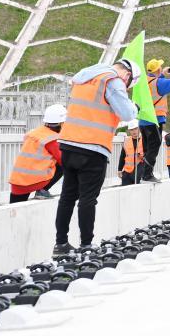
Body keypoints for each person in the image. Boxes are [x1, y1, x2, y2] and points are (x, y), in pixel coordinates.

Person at [54, 58, 139, 256]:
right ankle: (86, 245)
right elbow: (127, 113)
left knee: (67, 197)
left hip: (68, 144)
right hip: (92, 148)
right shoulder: (113, 80)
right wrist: (134, 106)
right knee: (88, 199)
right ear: (127, 76)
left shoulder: (85, 77)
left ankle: (61, 244)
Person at [8, 104, 67, 203]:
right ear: (61, 123)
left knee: (13, 213)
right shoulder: (52, 138)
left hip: (17, 182)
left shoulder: (34, 133)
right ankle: (42, 191)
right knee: (64, 164)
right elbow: (64, 161)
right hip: (35, 182)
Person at [140, 60, 170, 182]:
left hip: (143, 120)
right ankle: (147, 175)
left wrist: (161, 75)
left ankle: (144, 173)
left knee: (147, 149)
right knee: (154, 147)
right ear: (158, 70)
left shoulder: (143, 81)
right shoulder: (159, 84)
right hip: (154, 120)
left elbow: (154, 83)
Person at [118, 119, 145, 185]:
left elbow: (150, 155)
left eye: (135, 129)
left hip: (139, 171)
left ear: (139, 128)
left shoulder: (145, 140)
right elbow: (122, 156)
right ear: (129, 131)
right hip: (127, 172)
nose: (134, 131)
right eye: (132, 130)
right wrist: (119, 169)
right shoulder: (127, 141)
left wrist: (142, 156)